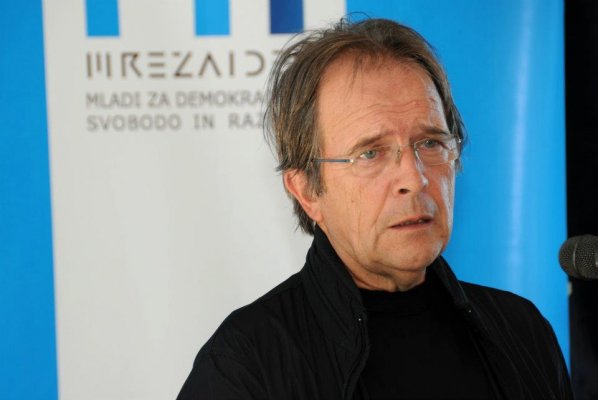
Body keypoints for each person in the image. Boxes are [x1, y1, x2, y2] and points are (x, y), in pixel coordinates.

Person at [177, 18, 573, 399]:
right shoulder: (246, 366)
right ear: (307, 191)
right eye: (370, 153)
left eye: (430, 143)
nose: (414, 178)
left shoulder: (521, 332)